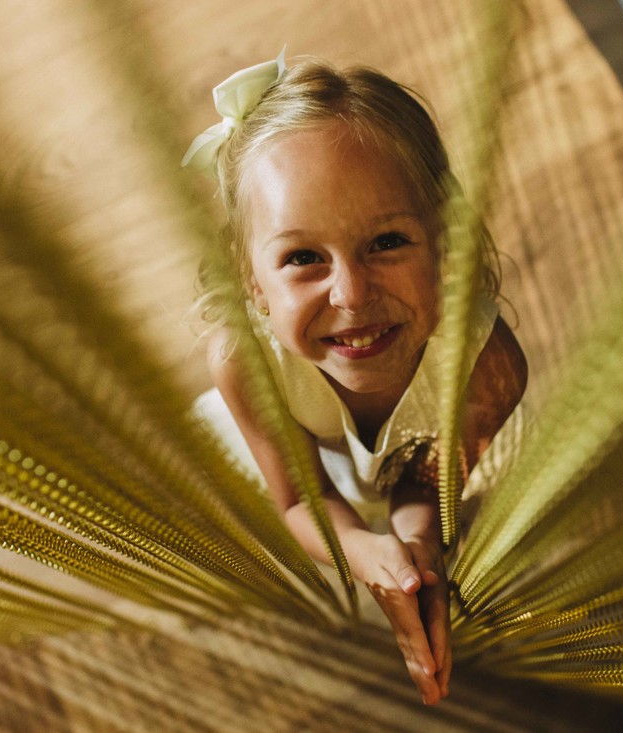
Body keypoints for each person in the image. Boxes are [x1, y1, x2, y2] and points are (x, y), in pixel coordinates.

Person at [185, 51, 528, 706]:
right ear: (251, 281)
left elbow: (423, 479)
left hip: (426, 463)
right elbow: (299, 498)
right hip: (308, 462)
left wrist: (417, 547)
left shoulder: (488, 362)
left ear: (446, 242)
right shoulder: (245, 362)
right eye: (303, 257)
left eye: (387, 242)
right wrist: (361, 551)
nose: (352, 293)